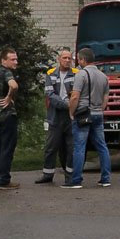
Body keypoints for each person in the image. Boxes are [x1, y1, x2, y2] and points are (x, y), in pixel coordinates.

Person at [63, 47, 111, 189]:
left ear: (83, 60)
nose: (78, 61)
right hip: (98, 114)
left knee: (79, 147)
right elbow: (106, 98)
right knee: (102, 147)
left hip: (84, 114)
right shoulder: (103, 76)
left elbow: (75, 96)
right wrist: (100, 110)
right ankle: (105, 179)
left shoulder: (81, 75)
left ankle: (76, 180)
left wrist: (71, 112)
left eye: (78, 59)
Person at [36, 48, 77, 185]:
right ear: (59, 59)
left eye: (69, 58)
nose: (67, 60)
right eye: (64, 58)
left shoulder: (76, 74)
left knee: (71, 148)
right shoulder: (51, 74)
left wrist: (71, 106)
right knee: (51, 146)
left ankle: (70, 175)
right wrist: (66, 104)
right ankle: (47, 174)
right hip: (55, 115)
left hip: (71, 116)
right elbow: (50, 94)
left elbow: (77, 93)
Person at [0, 47, 21, 190]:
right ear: (3, 60)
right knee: (7, 147)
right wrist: (8, 97)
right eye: (12, 59)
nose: (16, 62)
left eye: (16, 59)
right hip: (7, 115)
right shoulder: (7, 72)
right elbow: (14, 85)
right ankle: (4, 180)